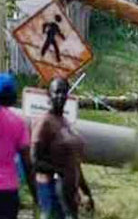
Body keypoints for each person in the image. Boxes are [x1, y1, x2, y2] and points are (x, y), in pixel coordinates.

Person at [32, 77, 94, 219]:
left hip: (69, 195)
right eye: (56, 92)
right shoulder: (44, 123)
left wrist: (86, 191)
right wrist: (59, 171)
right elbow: (35, 161)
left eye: (63, 92)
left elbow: (73, 162)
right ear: (49, 95)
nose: (60, 96)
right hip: (51, 191)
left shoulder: (64, 122)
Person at [0, 73, 36, 219]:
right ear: (12, 98)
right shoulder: (18, 123)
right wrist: (36, 193)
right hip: (7, 192)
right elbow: (27, 163)